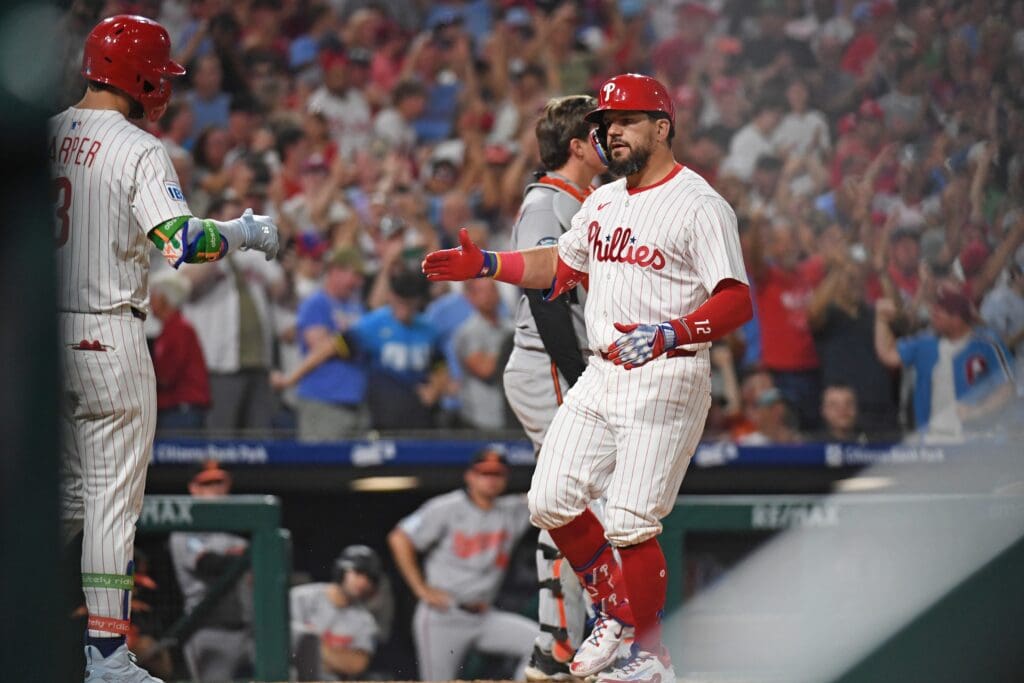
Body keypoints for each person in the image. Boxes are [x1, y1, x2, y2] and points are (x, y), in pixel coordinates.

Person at [422, 73, 752, 681]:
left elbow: (736, 301)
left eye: (625, 120)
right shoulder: (601, 200)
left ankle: (651, 656)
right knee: (549, 500)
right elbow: (560, 266)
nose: (611, 131)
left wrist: (671, 332)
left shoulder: (701, 203)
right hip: (603, 371)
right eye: (604, 123)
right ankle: (617, 615)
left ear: (662, 126)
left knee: (629, 522)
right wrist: (489, 263)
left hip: (667, 373)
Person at [51, 16, 278, 682]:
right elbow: (183, 242)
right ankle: (108, 657)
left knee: (62, 501)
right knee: (112, 499)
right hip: (107, 332)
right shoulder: (137, 147)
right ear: (142, 77)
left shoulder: (44, 131)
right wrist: (242, 230)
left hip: (41, 339)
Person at [501, 94, 606, 677]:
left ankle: (554, 643)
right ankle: (566, 639)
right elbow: (545, 298)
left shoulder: (590, 201)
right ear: (575, 146)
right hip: (550, 362)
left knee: (568, 504)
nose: (607, 140)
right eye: (597, 132)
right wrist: (580, 375)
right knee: (584, 503)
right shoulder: (547, 201)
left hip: (567, 362)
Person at [387, 448, 537, 680]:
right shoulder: (446, 507)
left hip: (483, 615)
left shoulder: (512, 510)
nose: (491, 480)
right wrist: (421, 589)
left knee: (538, 643)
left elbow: (546, 496)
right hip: (444, 615)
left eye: (497, 474)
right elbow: (399, 537)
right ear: (470, 476)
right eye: (484, 473)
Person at [875, 280, 1015, 439]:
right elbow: (888, 355)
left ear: (956, 318)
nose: (933, 315)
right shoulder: (924, 342)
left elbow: (1006, 389)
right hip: (931, 439)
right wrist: (881, 320)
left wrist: (977, 412)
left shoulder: (987, 343)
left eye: (939, 312)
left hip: (975, 438)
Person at [271, 247, 369, 442]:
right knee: (322, 465)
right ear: (335, 271)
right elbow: (320, 346)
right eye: (354, 275)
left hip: (356, 400)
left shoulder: (357, 306)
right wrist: (345, 342)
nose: (358, 282)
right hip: (322, 400)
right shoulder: (316, 303)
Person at [168, 462, 254, 683]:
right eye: (207, 483)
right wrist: (246, 556)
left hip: (249, 632)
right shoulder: (184, 533)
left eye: (219, 482)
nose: (215, 488)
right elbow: (210, 563)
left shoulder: (234, 534)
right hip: (208, 631)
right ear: (194, 488)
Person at [290, 545, 382, 681]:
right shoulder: (300, 597)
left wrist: (311, 649)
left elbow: (356, 665)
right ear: (341, 570)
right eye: (358, 573)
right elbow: (279, 647)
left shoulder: (365, 621)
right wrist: (335, 658)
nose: (363, 582)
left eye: (369, 578)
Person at [149, 269, 210, 433]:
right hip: (176, 410)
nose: (149, 302)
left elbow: (166, 376)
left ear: (163, 299)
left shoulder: (179, 329)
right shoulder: (171, 328)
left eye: (153, 296)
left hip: (181, 412)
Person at [454, 278, 513, 430]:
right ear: (470, 297)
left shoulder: (511, 327)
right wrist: (510, 349)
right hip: (479, 419)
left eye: (492, 289)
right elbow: (485, 370)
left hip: (511, 414)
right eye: (482, 291)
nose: (489, 295)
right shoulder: (468, 332)